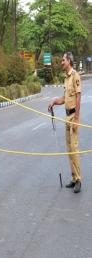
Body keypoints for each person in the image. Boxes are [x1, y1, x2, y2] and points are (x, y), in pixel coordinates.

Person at [48, 52, 82, 193]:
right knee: (69, 149)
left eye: (63, 60)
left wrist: (77, 119)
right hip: (67, 117)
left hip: (73, 117)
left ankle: (79, 179)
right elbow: (64, 99)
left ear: (69, 61)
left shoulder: (75, 76)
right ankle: (74, 178)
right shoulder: (66, 78)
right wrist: (54, 102)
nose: (61, 62)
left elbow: (79, 98)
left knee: (74, 149)